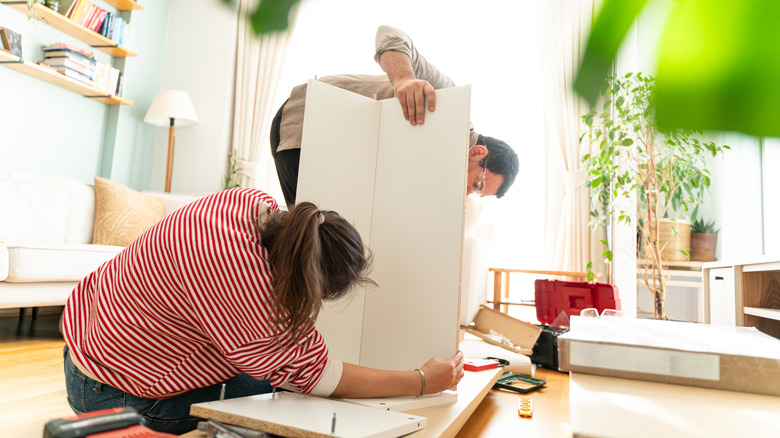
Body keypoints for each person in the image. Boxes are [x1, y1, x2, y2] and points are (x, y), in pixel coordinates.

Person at [61, 188, 464, 435]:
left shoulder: (250, 202)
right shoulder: (247, 291)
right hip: (114, 394)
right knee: (283, 395)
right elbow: (318, 376)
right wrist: (422, 381)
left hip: (86, 339)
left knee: (273, 373)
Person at [270, 25, 520, 205]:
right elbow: (389, 33)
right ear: (478, 153)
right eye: (476, 185)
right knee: (311, 244)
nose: (466, 192)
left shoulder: (439, 170)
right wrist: (403, 79)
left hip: (336, 152)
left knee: (319, 249)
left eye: (475, 193)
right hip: (307, 124)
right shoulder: (449, 101)